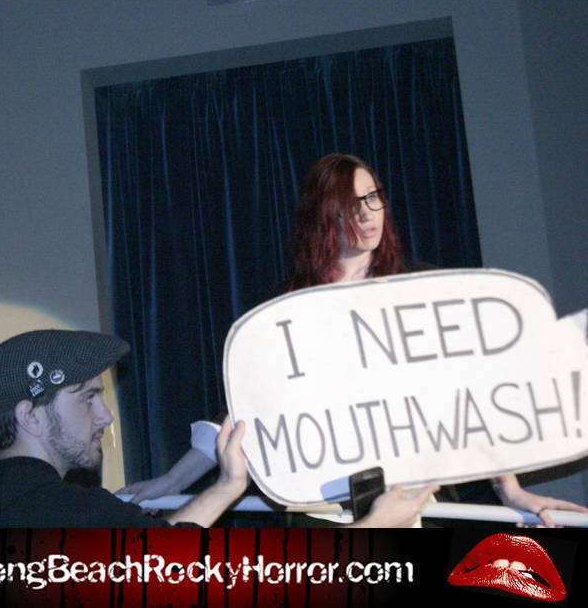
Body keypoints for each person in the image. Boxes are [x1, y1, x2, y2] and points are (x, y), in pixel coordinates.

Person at [121, 153, 588, 527]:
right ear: (322, 215)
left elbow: (469, 395)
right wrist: (172, 481)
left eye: (373, 197)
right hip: (322, 509)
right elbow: (245, 414)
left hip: (412, 503)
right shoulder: (285, 311)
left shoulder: (422, 290)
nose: (367, 213)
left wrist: (510, 490)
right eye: (350, 204)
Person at [0, 329, 249, 527]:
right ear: (30, 417)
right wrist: (228, 486)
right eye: (87, 398)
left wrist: (173, 482)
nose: (106, 416)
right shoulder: (71, 512)